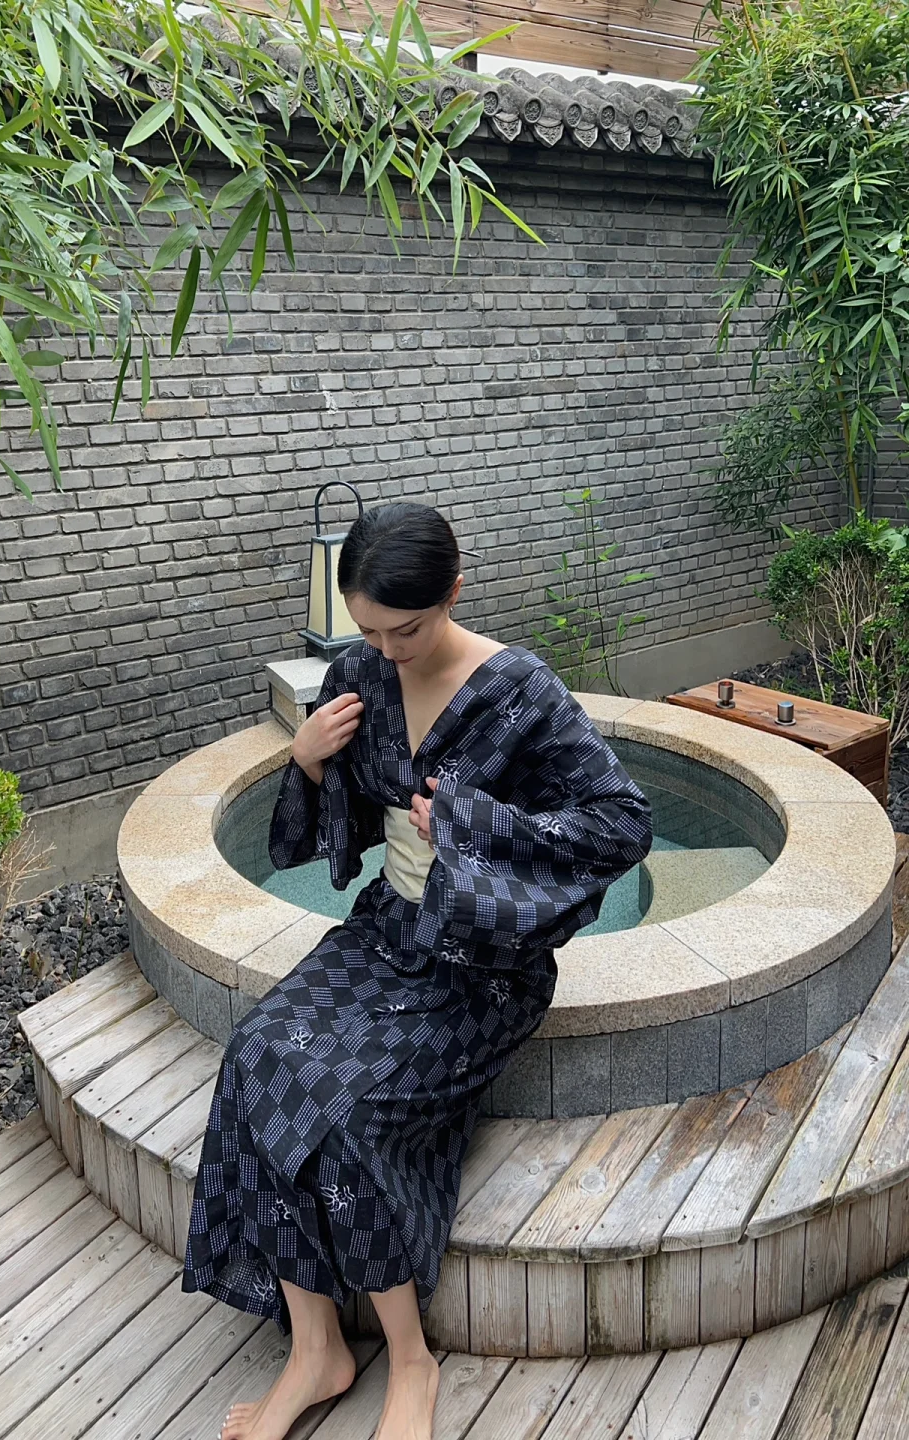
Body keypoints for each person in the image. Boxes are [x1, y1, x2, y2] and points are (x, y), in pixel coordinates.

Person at [182, 502, 652, 1440]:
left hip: (482, 965)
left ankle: (411, 1359)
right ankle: (317, 1348)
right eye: (369, 631)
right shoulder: (358, 673)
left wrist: (474, 823)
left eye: (407, 629)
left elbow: (622, 823)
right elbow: (333, 824)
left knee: (349, 1113)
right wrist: (307, 761)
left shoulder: (521, 691)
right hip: (388, 931)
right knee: (258, 1057)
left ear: (454, 593)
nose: (388, 650)